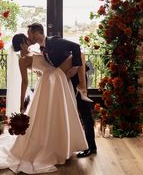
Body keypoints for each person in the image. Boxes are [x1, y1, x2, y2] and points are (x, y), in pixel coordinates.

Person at [0, 33, 88, 174]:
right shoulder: (23, 60)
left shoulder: (36, 51)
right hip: (47, 85)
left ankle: (60, 145)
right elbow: (25, 82)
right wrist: (21, 104)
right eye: (27, 40)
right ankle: (52, 147)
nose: (30, 41)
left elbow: (45, 66)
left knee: (55, 115)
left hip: (52, 81)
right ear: (22, 44)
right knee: (46, 117)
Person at [27, 23, 97, 158]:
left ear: (36, 33)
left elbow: (76, 47)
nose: (28, 36)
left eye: (29, 33)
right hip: (67, 80)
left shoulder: (54, 41)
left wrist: (76, 67)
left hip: (77, 77)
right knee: (73, 110)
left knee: (84, 111)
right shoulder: (43, 48)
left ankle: (91, 147)